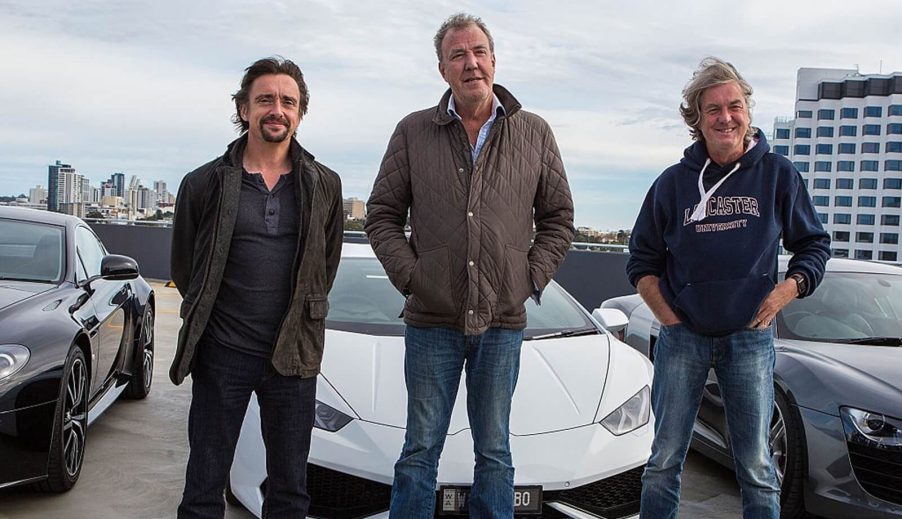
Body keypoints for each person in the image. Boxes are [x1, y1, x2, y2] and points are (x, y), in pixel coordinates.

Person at [364, 12, 574, 519]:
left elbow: (559, 219)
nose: (470, 62)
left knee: (496, 454)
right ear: (442, 70)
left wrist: (526, 279)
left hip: (502, 323)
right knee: (419, 452)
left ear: (494, 61)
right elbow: (381, 215)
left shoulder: (533, 132)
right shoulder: (413, 131)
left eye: (478, 51)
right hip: (431, 320)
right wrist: (416, 278)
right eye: (457, 55)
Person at [627, 57, 831, 519]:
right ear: (696, 120)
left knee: (757, 465)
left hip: (750, 339)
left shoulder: (778, 175)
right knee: (662, 462)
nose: (726, 117)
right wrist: (669, 317)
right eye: (713, 109)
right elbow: (641, 261)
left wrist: (786, 291)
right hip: (683, 339)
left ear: (747, 110)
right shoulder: (672, 184)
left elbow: (814, 245)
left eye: (734, 105)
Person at [169, 57, 343, 519]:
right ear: (244, 108)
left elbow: (323, 268)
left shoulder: (325, 184)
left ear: (300, 112)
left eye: (288, 101)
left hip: (293, 357)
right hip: (222, 353)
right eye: (265, 99)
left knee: (290, 490)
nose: (277, 109)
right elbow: (187, 268)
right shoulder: (204, 182)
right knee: (204, 484)